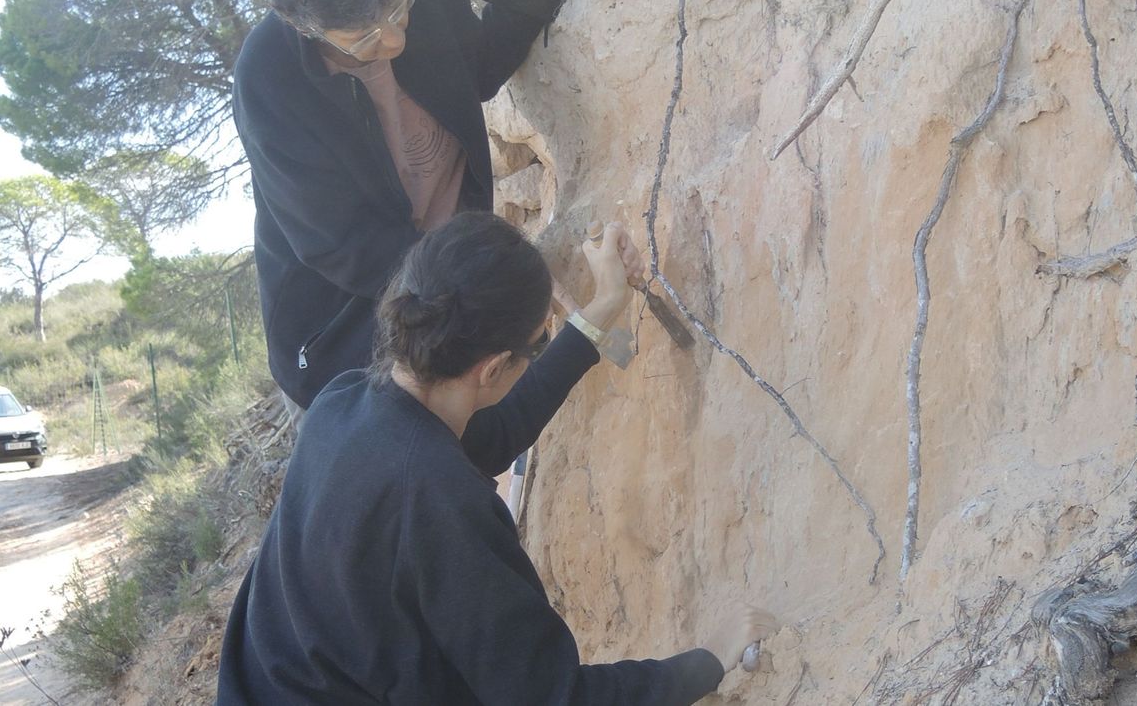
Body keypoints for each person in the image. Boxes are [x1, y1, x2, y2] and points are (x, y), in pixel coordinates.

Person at [217, 213, 779, 704]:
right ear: (492, 369)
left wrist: (605, 307)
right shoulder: (445, 507)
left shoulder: (342, 405)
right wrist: (708, 658)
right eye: (536, 345)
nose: (536, 357)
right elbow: (553, 698)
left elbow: (495, 430)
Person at [232, 0, 591, 418]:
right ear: (305, 27)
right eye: (364, 39)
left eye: (398, 11)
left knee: (483, 453)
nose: (395, 40)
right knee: (401, 488)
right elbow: (340, 246)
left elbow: (480, 68)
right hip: (344, 339)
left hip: (455, 299)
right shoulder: (268, 76)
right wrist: (474, 288)